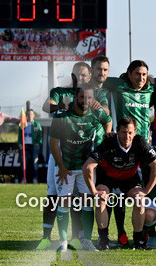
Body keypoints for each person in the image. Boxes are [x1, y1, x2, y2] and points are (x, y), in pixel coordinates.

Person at [46, 88, 112, 251]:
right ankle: (63, 243)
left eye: (89, 98)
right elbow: (53, 143)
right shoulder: (62, 116)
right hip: (65, 168)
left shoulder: (97, 113)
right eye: (82, 97)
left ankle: (87, 242)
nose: (85, 101)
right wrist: (61, 167)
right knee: (64, 204)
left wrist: (107, 134)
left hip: (85, 169)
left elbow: (108, 120)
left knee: (88, 203)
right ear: (75, 97)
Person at [82, 117, 156, 250]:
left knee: (139, 200)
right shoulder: (108, 142)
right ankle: (103, 240)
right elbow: (87, 167)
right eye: (124, 132)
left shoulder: (140, 142)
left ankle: (138, 241)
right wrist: (94, 192)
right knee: (101, 199)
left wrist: (146, 190)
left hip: (129, 178)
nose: (127, 136)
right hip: (107, 178)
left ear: (135, 132)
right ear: (117, 131)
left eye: (130, 132)